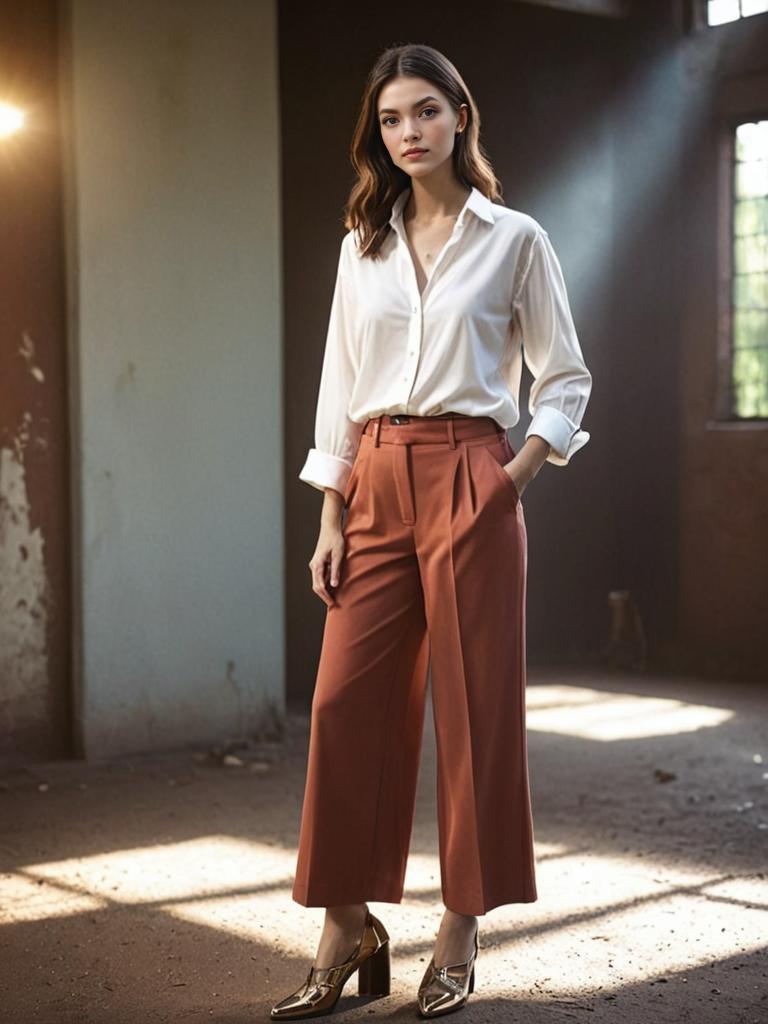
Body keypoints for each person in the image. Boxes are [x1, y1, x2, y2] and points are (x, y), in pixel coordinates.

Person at [271, 42, 592, 1020]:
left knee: (474, 709)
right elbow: (337, 385)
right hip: (371, 477)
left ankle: (463, 918)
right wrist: (330, 512)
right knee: (342, 704)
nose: (408, 133)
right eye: (391, 119)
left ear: (461, 115)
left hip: (472, 472)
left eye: (425, 112)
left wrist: (512, 477)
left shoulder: (515, 239)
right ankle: (348, 922)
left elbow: (564, 377)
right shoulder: (359, 245)